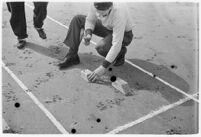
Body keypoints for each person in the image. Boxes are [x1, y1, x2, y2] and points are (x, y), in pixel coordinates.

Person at [58, 2, 133, 82]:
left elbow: (116, 44)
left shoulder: (119, 12)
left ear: (110, 7)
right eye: (97, 11)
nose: (98, 15)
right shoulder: (96, 3)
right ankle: (72, 56)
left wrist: (103, 68)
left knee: (101, 47)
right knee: (77, 19)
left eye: (103, 14)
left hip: (124, 34)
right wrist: (88, 33)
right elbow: (90, 20)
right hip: (107, 27)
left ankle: (120, 53)